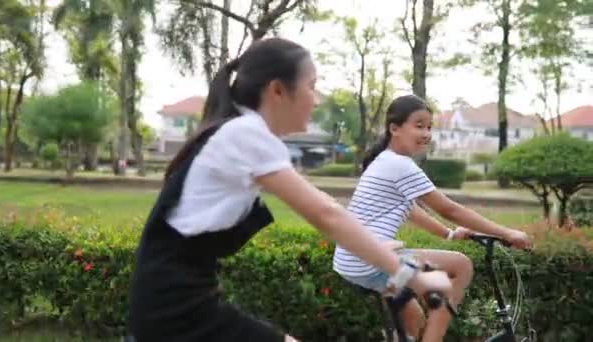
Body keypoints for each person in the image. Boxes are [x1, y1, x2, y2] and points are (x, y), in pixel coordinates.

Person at [126, 38, 452, 342]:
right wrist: (412, 275)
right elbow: (327, 216)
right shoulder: (246, 134)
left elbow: (321, 201)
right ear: (278, 91)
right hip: (174, 309)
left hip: (174, 302)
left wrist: (375, 246)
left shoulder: (242, 133)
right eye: (312, 86)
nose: (316, 98)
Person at [333, 94, 531, 342]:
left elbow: (412, 210)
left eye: (429, 127)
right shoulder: (400, 165)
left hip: (354, 261)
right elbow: (450, 209)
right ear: (394, 128)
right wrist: (507, 233)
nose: (426, 133)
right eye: (419, 126)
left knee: (414, 326)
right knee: (461, 265)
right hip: (371, 263)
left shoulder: (383, 160)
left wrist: (448, 234)